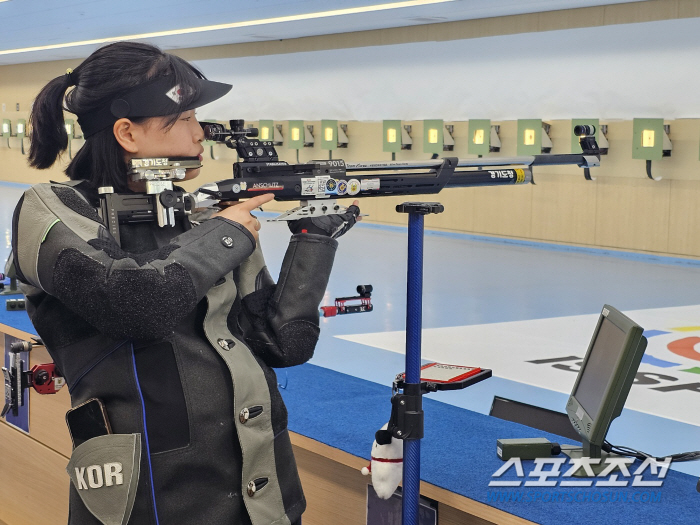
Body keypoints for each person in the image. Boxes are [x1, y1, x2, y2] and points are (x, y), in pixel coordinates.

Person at [11, 41, 360, 525]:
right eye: (184, 119)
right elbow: (136, 304)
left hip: (261, 496)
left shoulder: (201, 216)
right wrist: (228, 232)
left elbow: (285, 343)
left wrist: (313, 240)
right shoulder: (53, 209)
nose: (200, 135)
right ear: (127, 133)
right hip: (149, 495)